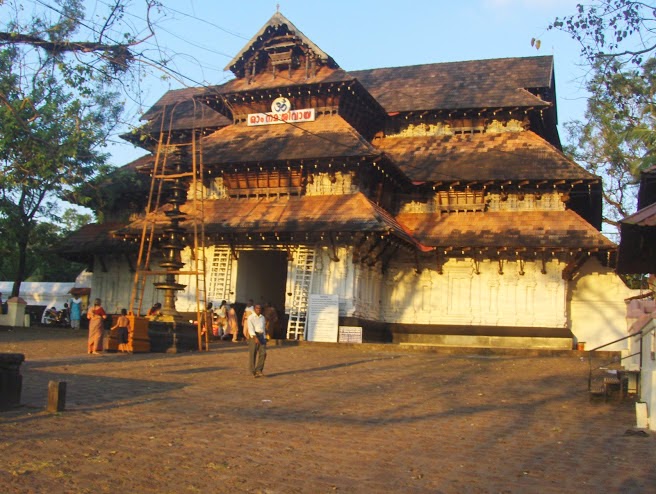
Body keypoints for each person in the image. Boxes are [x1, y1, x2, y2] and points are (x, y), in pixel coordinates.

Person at [247, 304, 267, 377]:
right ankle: (253, 371)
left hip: (261, 335)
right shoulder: (251, 317)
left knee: (263, 353)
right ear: (254, 309)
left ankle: (259, 369)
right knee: (253, 353)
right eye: (257, 308)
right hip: (254, 335)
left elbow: (263, 328)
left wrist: (264, 337)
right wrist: (255, 337)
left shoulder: (262, 318)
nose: (258, 309)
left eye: (260, 308)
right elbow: (250, 328)